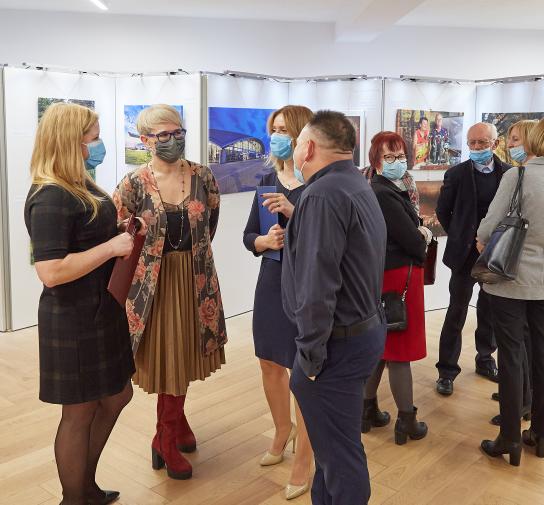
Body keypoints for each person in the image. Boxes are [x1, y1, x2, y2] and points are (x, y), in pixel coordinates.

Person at [25, 102, 136, 505]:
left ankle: (85, 486)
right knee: (78, 413)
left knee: (117, 395)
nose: (99, 144)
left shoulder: (79, 186)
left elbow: (84, 238)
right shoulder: (51, 195)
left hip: (99, 309)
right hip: (73, 318)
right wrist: (111, 247)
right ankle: (74, 497)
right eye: (94, 138)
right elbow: (51, 271)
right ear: (71, 142)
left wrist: (117, 231)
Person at [114, 104, 227, 480]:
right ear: (145, 140)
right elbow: (120, 234)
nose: (173, 140)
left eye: (178, 133)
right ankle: (164, 436)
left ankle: (174, 423)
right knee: (168, 355)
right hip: (153, 286)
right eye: (163, 135)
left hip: (194, 278)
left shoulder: (203, 176)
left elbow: (210, 223)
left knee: (187, 351)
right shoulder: (133, 183)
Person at [283, 111, 387, 504]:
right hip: (361, 332)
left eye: (296, 142)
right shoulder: (355, 183)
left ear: (309, 148)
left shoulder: (323, 195)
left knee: (340, 457)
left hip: (335, 345)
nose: (294, 149)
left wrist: (310, 358)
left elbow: (317, 285)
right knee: (332, 451)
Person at [477, 115, 544, 465]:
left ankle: (509, 437)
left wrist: (482, 239)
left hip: (510, 280)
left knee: (511, 357)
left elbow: (489, 227)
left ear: (535, 140)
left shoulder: (516, 176)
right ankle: (540, 434)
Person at [242, 105, 315, 499]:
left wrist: (295, 217)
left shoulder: (315, 184)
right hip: (271, 280)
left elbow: (329, 239)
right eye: (274, 129)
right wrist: (263, 241)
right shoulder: (267, 179)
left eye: (285, 130)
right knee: (269, 361)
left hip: (305, 285)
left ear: (302, 135)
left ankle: (305, 455)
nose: (277, 136)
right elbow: (248, 235)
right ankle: (282, 430)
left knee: (303, 371)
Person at [361, 131, 431, 445]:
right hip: (400, 276)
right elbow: (412, 241)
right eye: (388, 157)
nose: (396, 162)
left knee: (382, 347)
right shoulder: (384, 192)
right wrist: (423, 235)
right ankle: (407, 420)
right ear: (376, 161)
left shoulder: (386, 187)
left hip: (388, 275)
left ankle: (366, 410)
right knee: (399, 348)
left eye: (400, 156)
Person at [434, 122, 510, 396]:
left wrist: (490, 241)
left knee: (489, 310)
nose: (477, 148)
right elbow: (443, 211)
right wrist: (463, 236)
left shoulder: (509, 174)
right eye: (472, 143)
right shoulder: (455, 174)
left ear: (495, 143)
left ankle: (485, 360)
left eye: (482, 143)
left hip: (494, 255)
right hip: (464, 256)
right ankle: (446, 370)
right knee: (456, 311)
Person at [488, 120, 537, 427]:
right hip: (542, 280)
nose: (511, 145)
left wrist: (482, 240)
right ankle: (526, 399)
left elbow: (492, 221)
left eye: (517, 139)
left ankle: (514, 410)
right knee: (530, 343)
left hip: (511, 271)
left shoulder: (516, 175)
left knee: (512, 346)